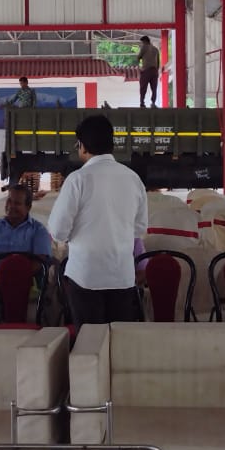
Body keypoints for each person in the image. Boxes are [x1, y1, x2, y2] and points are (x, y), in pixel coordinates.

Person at [47, 114, 148, 325]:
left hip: (86, 276)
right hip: (122, 276)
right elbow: (139, 228)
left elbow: (58, 231)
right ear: (112, 144)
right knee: (117, 339)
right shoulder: (133, 179)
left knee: (90, 340)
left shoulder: (77, 180)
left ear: (82, 146)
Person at [0, 184, 52, 273]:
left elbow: (39, 262)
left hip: (24, 279)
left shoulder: (38, 230)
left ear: (28, 207)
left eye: (17, 203)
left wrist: (14, 276)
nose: (11, 206)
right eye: (9, 201)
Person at [136, 35, 161, 108]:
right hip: (154, 71)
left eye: (142, 42)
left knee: (143, 87)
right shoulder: (156, 49)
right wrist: (156, 71)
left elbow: (138, 57)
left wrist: (139, 67)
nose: (142, 44)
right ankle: (153, 103)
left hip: (146, 70)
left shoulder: (144, 47)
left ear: (145, 41)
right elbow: (158, 62)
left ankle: (142, 102)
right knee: (154, 88)